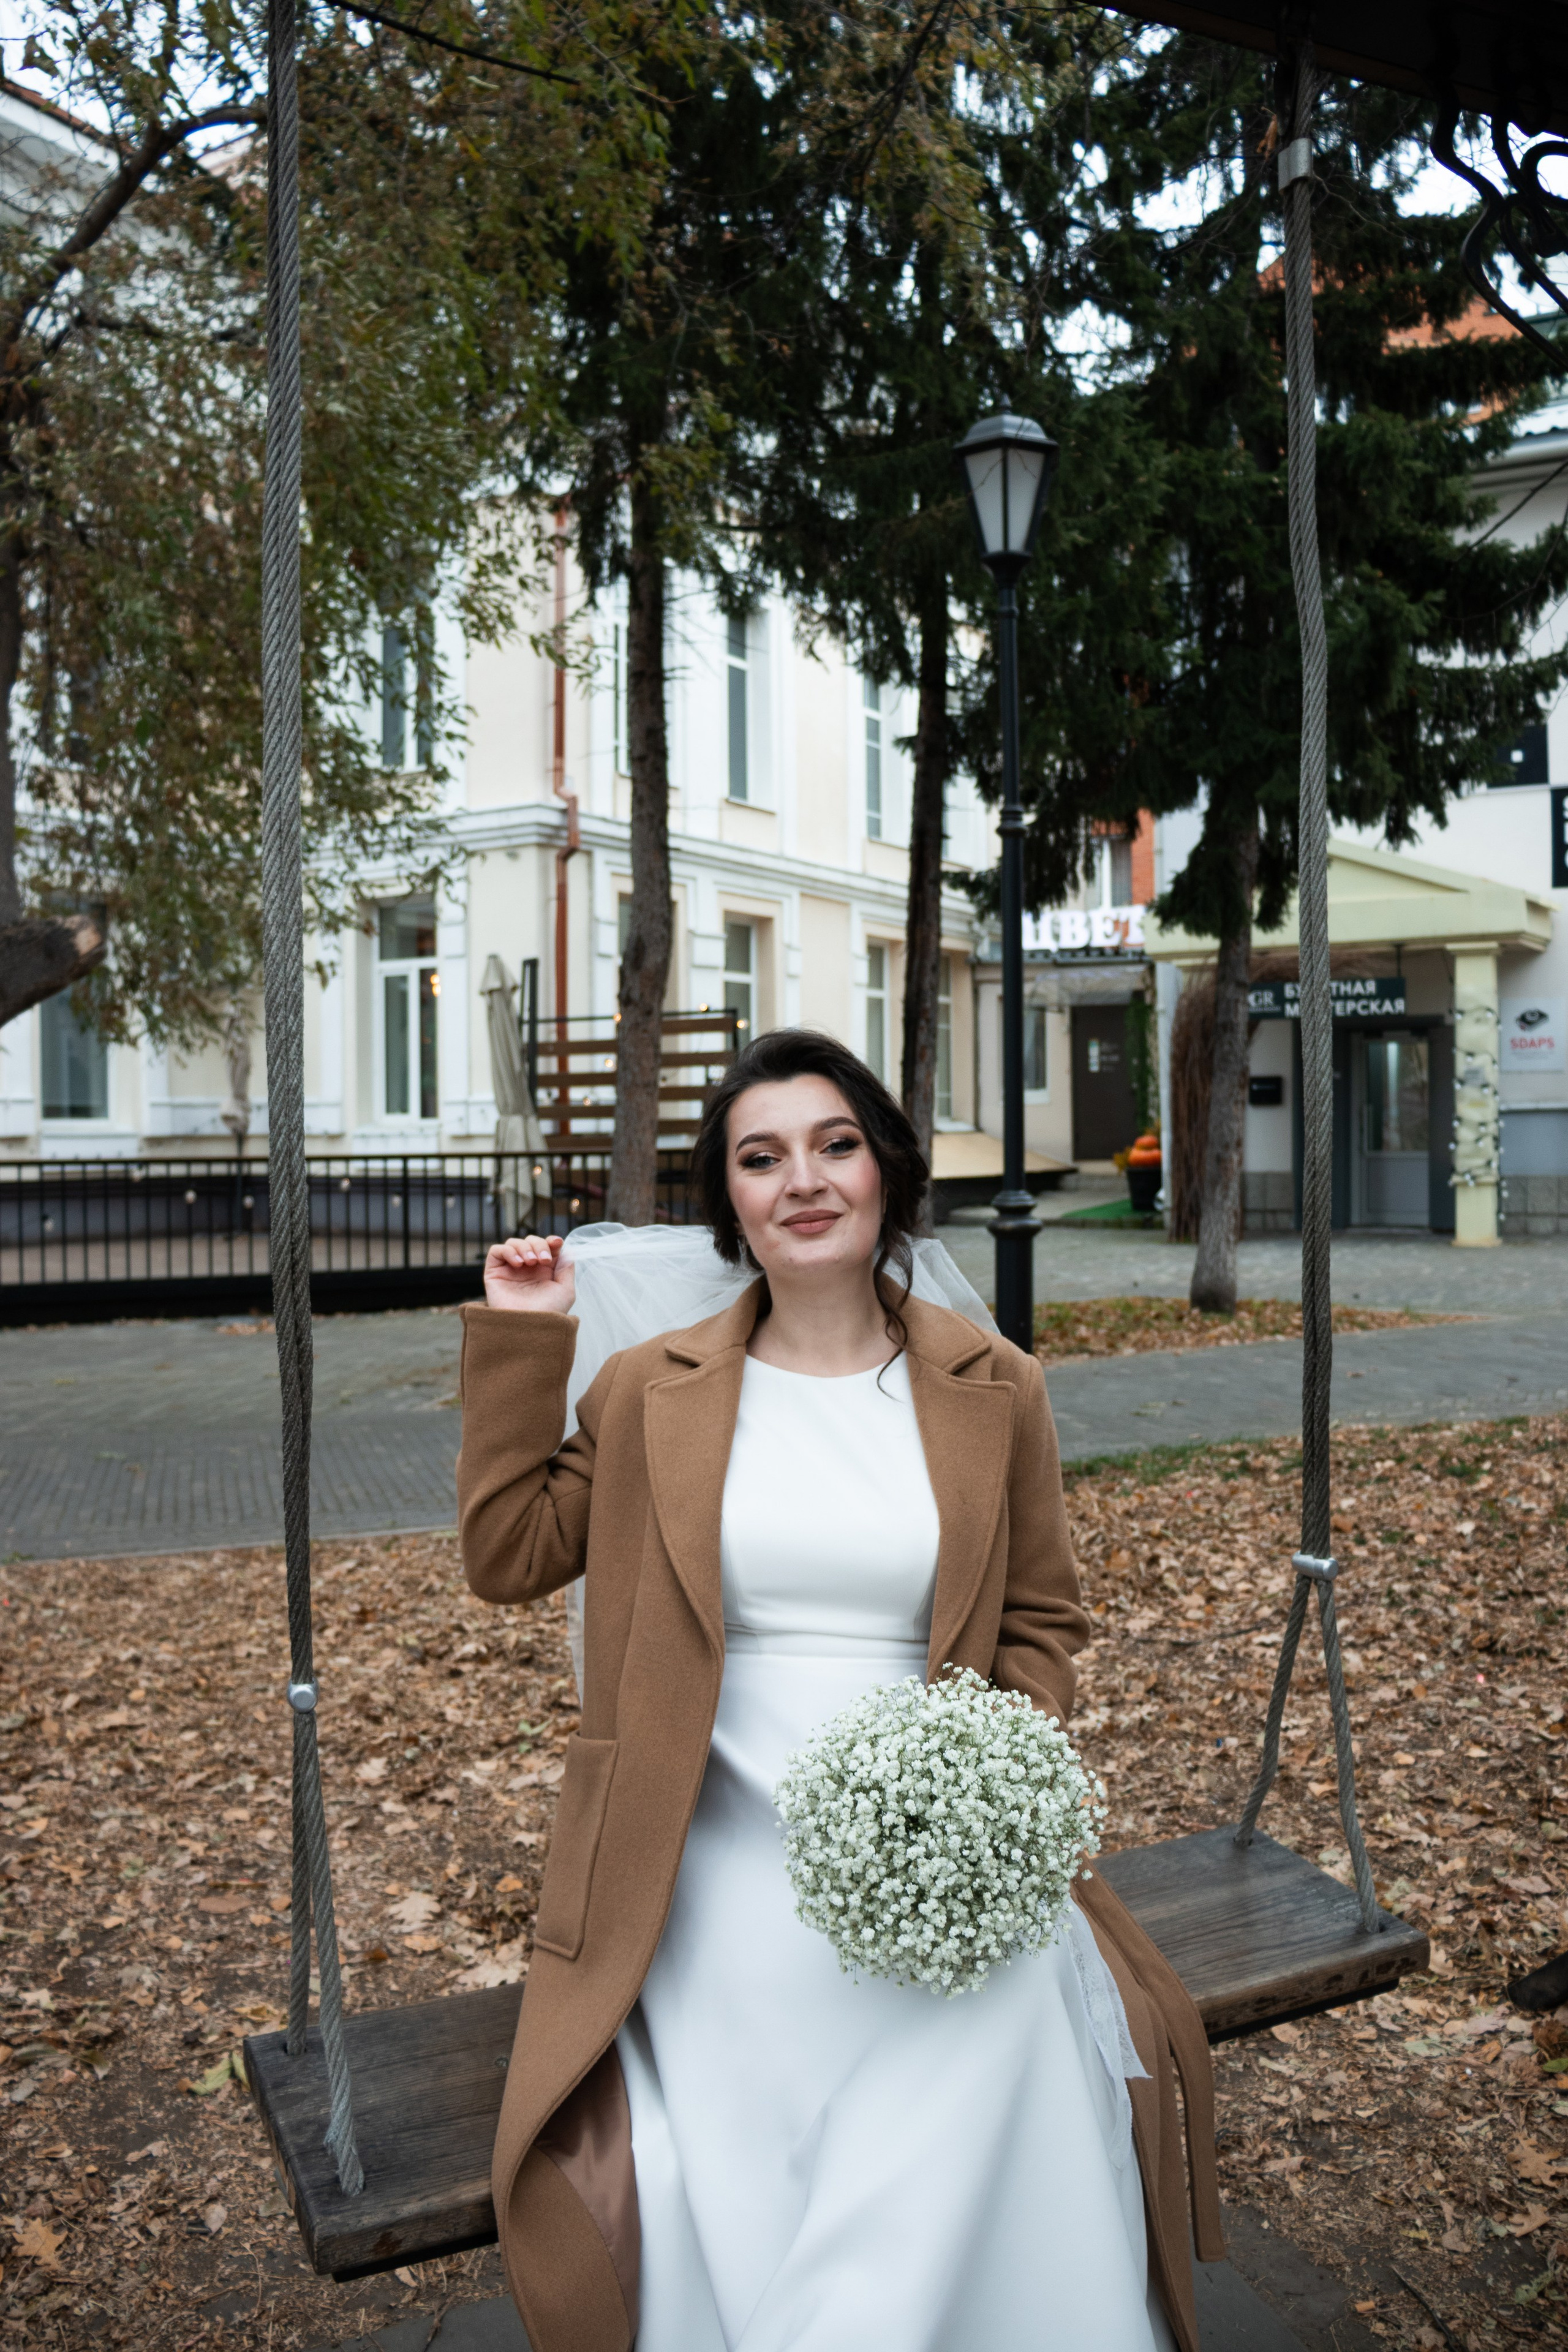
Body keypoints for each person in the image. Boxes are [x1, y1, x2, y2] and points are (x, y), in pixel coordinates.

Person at [458, 1027, 1221, 2352]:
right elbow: (508, 1553)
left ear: (885, 1176)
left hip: (932, 1846)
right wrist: (527, 1344)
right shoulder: (653, 1392)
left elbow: (1040, 1618)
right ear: (731, 1203)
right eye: (760, 1159)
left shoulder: (995, 1388)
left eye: (833, 1146)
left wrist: (984, 1782)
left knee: (998, 2031)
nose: (801, 1181)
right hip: (705, 1840)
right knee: (759, 2103)